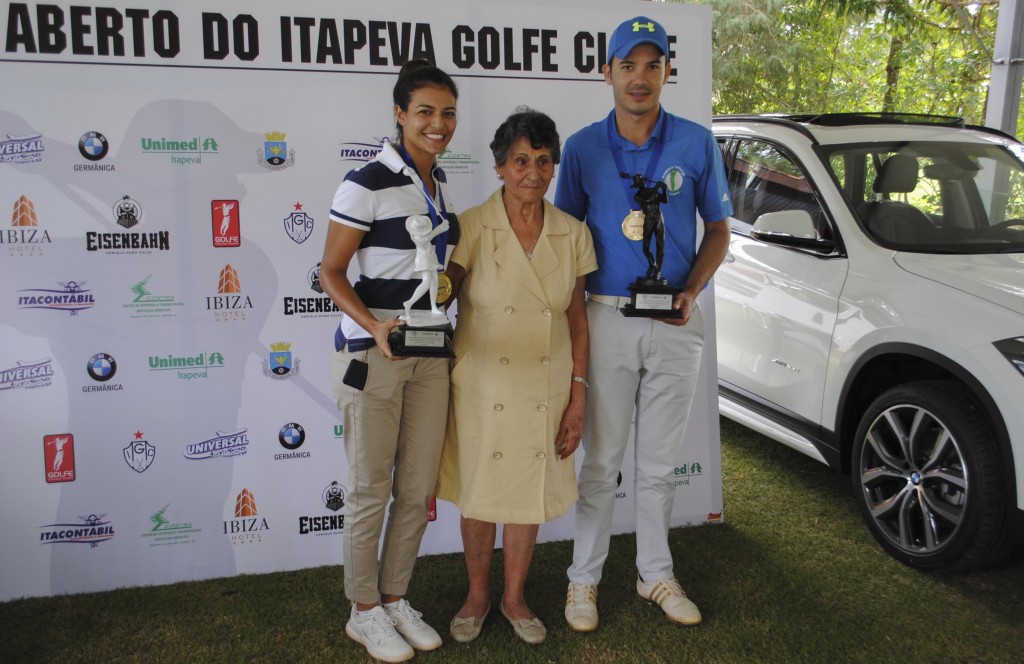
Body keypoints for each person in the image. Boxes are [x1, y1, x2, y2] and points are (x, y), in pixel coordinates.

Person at [553, 16, 733, 631]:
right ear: (607, 72)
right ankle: (584, 581)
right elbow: (565, 243)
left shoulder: (695, 141)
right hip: (605, 318)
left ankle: (654, 572)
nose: (640, 78)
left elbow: (718, 230)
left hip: (677, 319)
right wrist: (574, 326)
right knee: (601, 464)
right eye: (628, 65)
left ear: (666, 73)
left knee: (659, 463)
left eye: (652, 65)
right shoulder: (579, 148)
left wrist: (691, 290)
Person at [435, 109, 597, 645]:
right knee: (482, 494)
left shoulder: (572, 233)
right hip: (483, 385)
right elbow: (443, 294)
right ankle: (478, 595)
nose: (533, 172)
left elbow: (577, 322)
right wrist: (423, 285)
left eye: (543, 161)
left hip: (546, 388)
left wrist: (578, 398)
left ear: (554, 168)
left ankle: (514, 597)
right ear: (501, 166)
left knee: (527, 493)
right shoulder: (472, 226)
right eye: (521, 160)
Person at [320, 59, 460, 663]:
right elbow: (330, 272)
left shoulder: (438, 181)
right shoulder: (366, 181)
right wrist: (373, 324)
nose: (438, 123)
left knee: (417, 485)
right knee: (370, 488)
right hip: (371, 356)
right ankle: (364, 610)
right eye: (425, 111)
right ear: (399, 113)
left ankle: (396, 596)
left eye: (448, 113)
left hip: (430, 354)